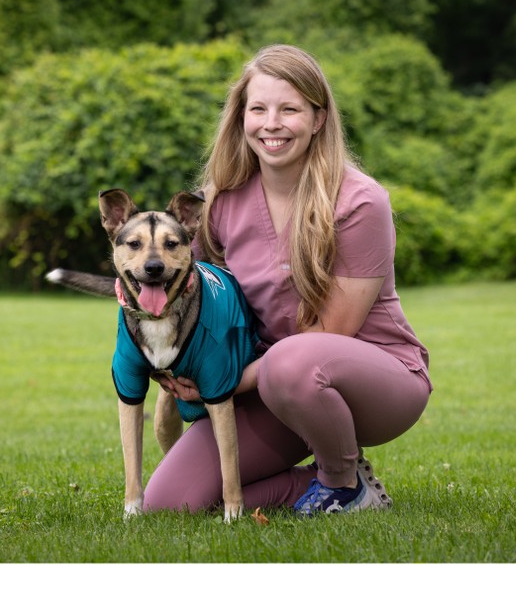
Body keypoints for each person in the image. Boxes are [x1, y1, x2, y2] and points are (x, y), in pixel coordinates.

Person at [143, 44, 432, 516]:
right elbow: (185, 289)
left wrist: (226, 380)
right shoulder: (220, 201)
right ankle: (319, 486)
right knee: (170, 504)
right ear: (241, 117)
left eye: (289, 110)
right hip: (269, 384)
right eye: (258, 109)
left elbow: (332, 331)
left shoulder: (360, 202)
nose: (271, 124)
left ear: (318, 119)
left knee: (290, 363)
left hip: (377, 381)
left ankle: (342, 483)